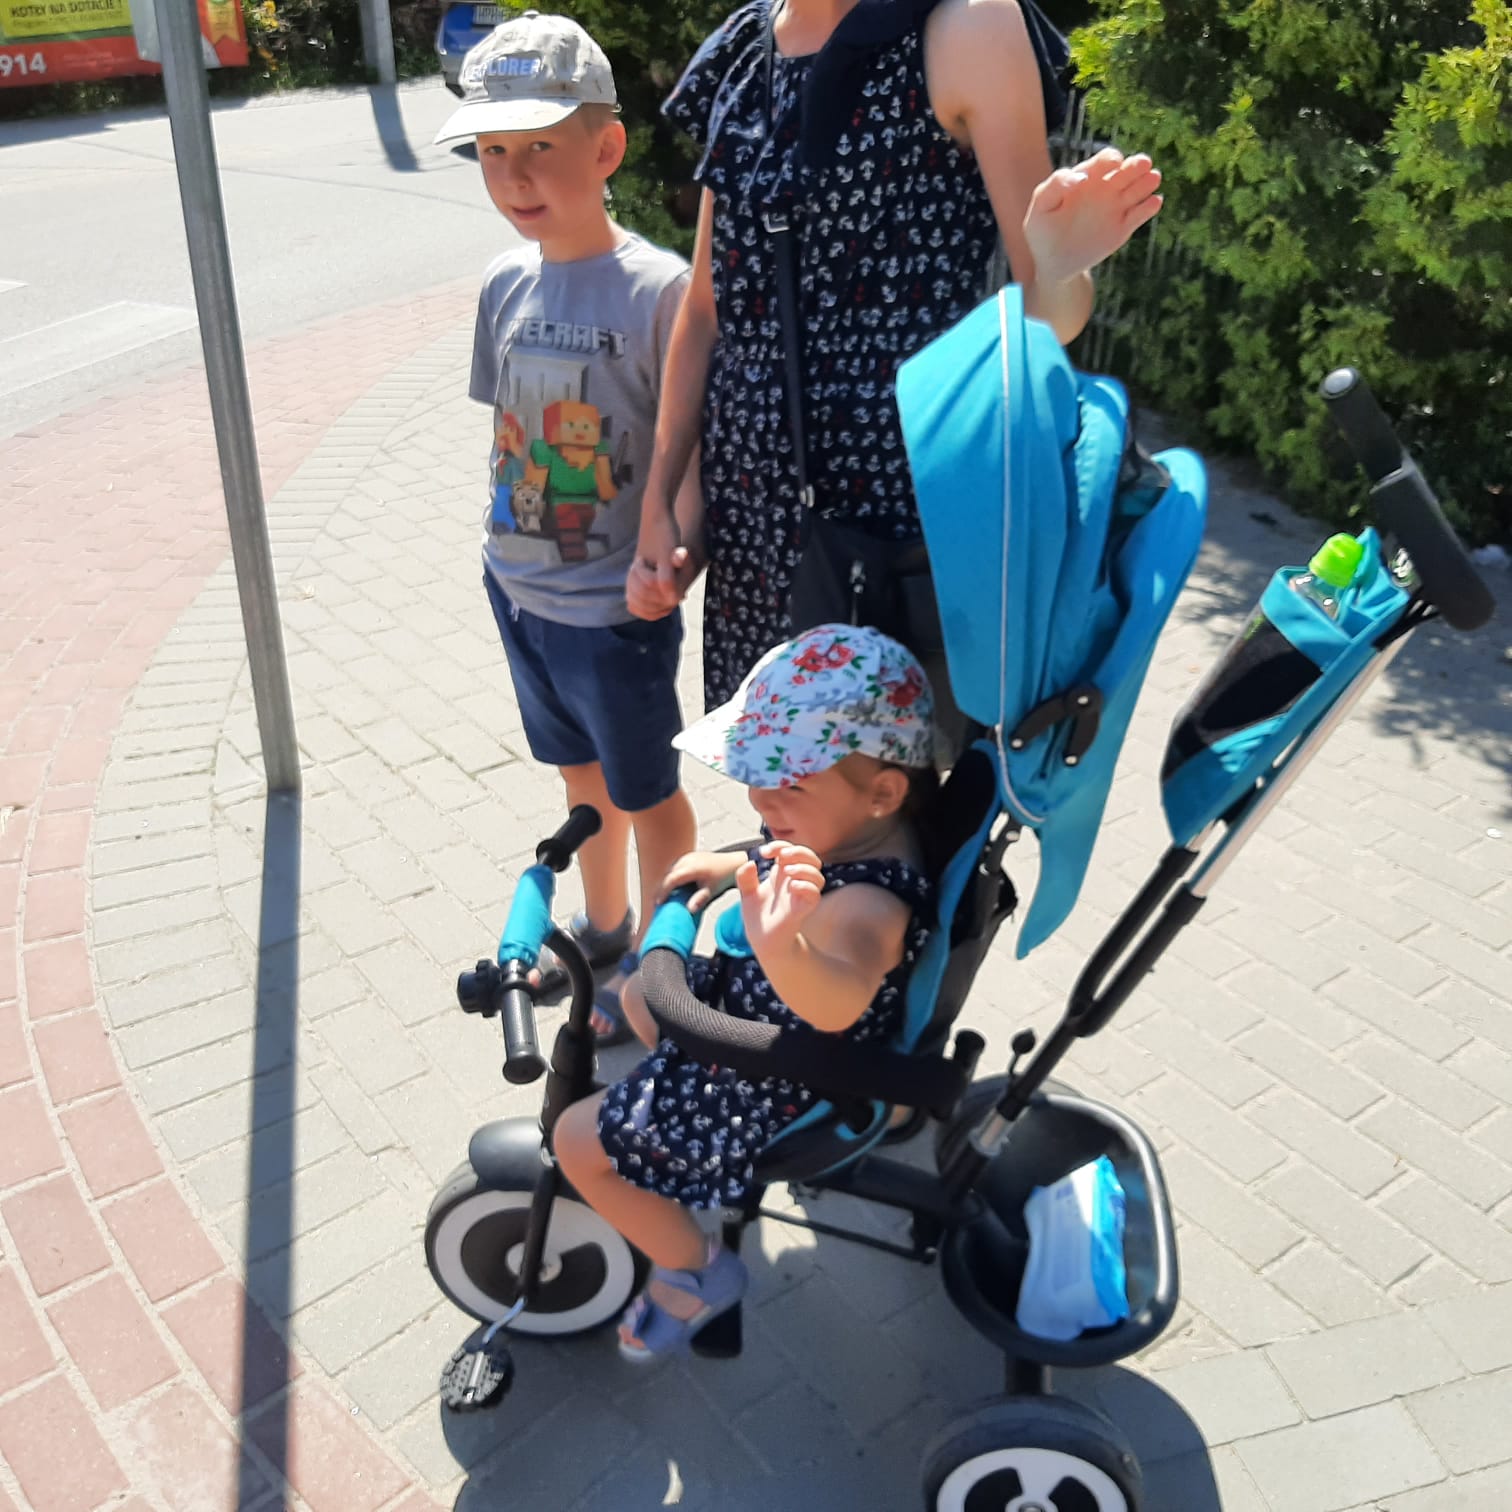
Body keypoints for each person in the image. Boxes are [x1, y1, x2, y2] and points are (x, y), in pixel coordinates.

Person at [626, 0, 1164, 709]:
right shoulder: (747, 47)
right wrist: (662, 503)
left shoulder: (967, 27)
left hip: (890, 534)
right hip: (751, 525)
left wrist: (1061, 264)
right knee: (766, 766)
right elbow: (707, 308)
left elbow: (1049, 315)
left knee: (883, 771)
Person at [554, 623, 937, 1360]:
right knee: (638, 997)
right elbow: (801, 850)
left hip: (782, 1075)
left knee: (575, 1141)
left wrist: (782, 946)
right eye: (758, 773)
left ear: (884, 792)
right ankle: (669, 1124)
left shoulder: (870, 908)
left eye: (789, 783)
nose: (761, 796)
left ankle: (696, 1272)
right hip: (758, 1019)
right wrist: (735, 865)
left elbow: (838, 1001)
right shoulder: (855, 832)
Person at [435, 11, 702, 1040]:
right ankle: (603, 928)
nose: (514, 176)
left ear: (607, 148)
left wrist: (675, 558)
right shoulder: (504, 282)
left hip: (612, 611)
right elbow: (509, 428)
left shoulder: (660, 293)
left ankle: (656, 973)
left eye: (540, 145)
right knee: (580, 777)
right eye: (491, 151)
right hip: (518, 595)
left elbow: (693, 454)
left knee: (649, 791)